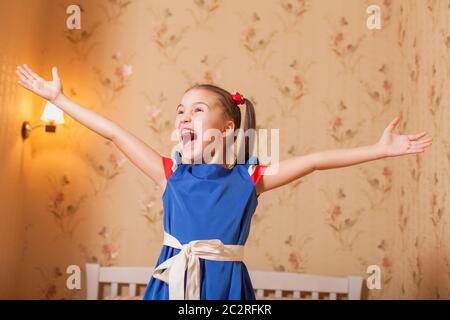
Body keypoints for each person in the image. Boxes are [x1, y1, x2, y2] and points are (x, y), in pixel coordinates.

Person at [15, 64, 433, 300]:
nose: (183, 117)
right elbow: (114, 133)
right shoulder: (170, 174)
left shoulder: (249, 179)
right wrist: (58, 99)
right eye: (180, 110)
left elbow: (317, 162)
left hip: (226, 290)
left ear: (228, 127)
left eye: (197, 110)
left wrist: (380, 149)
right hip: (170, 284)